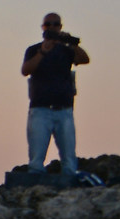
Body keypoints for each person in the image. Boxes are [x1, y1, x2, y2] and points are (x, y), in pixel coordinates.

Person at [20, 12, 89, 172]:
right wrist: (43, 52)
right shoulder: (34, 50)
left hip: (64, 110)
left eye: (55, 24)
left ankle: (69, 186)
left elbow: (84, 59)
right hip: (40, 109)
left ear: (60, 27)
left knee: (69, 158)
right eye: (48, 25)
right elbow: (25, 70)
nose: (52, 28)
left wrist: (71, 43)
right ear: (43, 28)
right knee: (36, 159)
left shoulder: (66, 50)